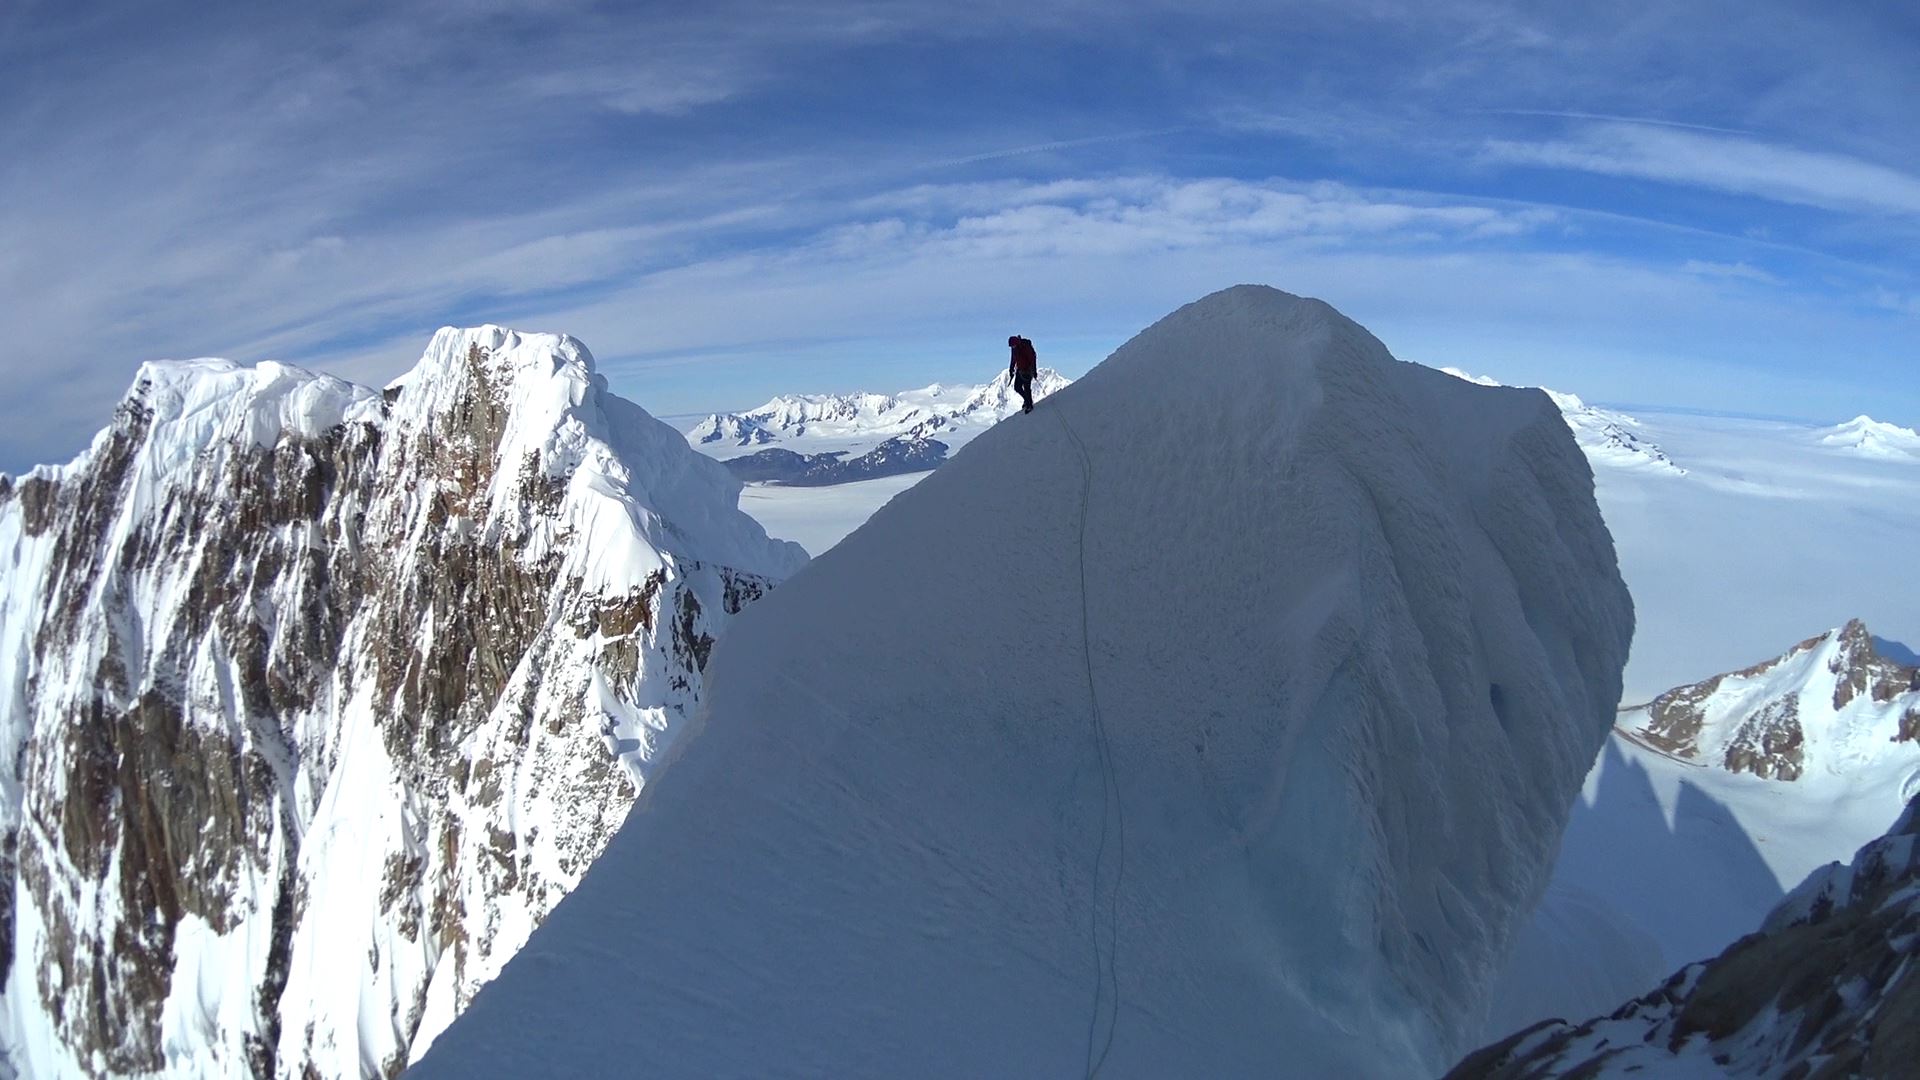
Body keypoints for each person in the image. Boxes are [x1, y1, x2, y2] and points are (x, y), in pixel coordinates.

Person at [1007, 334, 1038, 414]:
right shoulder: (1015, 349)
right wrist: (1011, 369)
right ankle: (1026, 400)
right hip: (1020, 370)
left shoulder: (1025, 347)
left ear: (1016, 343)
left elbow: (1032, 359)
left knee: (1027, 388)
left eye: (1013, 346)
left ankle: (1029, 405)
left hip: (1028, 370)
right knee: (1017, 387)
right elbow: (1013, 359)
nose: (1012, 347)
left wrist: (1034, 371)